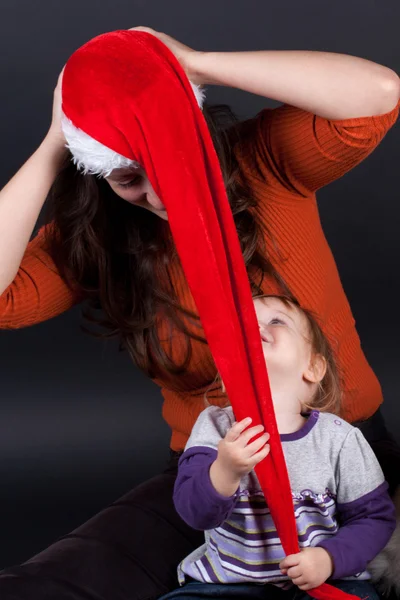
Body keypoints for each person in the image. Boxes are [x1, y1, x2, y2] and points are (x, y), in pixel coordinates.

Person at [0, 26, 399, 600]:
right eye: (129, 178)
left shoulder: (261, 162)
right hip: (211, 473)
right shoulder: (96, 237)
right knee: (60, 579)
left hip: (347, 451)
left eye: (165, 162)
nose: (159, 196)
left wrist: (191, 65)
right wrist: (56, 142)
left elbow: (378, 94)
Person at [162, 295, 396, 600]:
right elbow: (194, 513)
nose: (255, 328)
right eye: (243, 325)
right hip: (226, 583)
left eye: (276, 321)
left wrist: (329, 559)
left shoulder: (340, 439)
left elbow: (375, 518)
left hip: (324, 579)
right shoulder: (215, 427)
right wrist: (224, 471)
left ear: (312, 367)